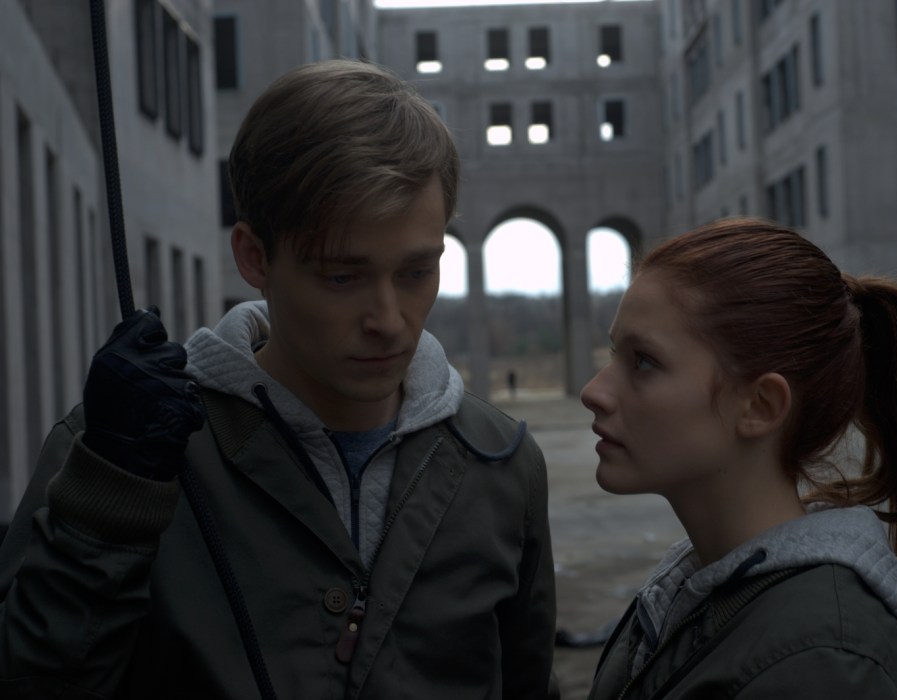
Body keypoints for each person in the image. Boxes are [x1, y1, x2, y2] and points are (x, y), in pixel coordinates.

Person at [0, 59, 557, 699]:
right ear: (254, 257)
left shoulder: (501, 464)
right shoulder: (120, 456)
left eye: (415, 271)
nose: (387, 319)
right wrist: (108, 503)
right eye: (342, 276)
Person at [581, 218, 897, 699]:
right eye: (615, 354)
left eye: (644, 361)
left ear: (759, 407)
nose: (594, 392)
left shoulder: (822, 662)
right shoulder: (695, 589)